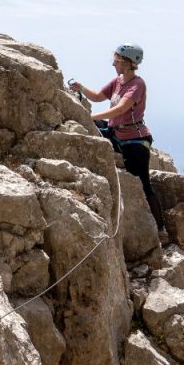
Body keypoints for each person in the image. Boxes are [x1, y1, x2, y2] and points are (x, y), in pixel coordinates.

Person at [69, 44, 165, 231]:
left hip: (134, 139)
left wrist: (90, 117)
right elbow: (97, 96)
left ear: (128, 63)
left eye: (117, 60)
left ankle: (161, 229)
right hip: (116, 132)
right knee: (92, 129)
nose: (113, 63)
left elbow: (121, 108)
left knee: (144, 185)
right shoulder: (118, 81)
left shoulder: (137, 84)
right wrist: (81, 88)